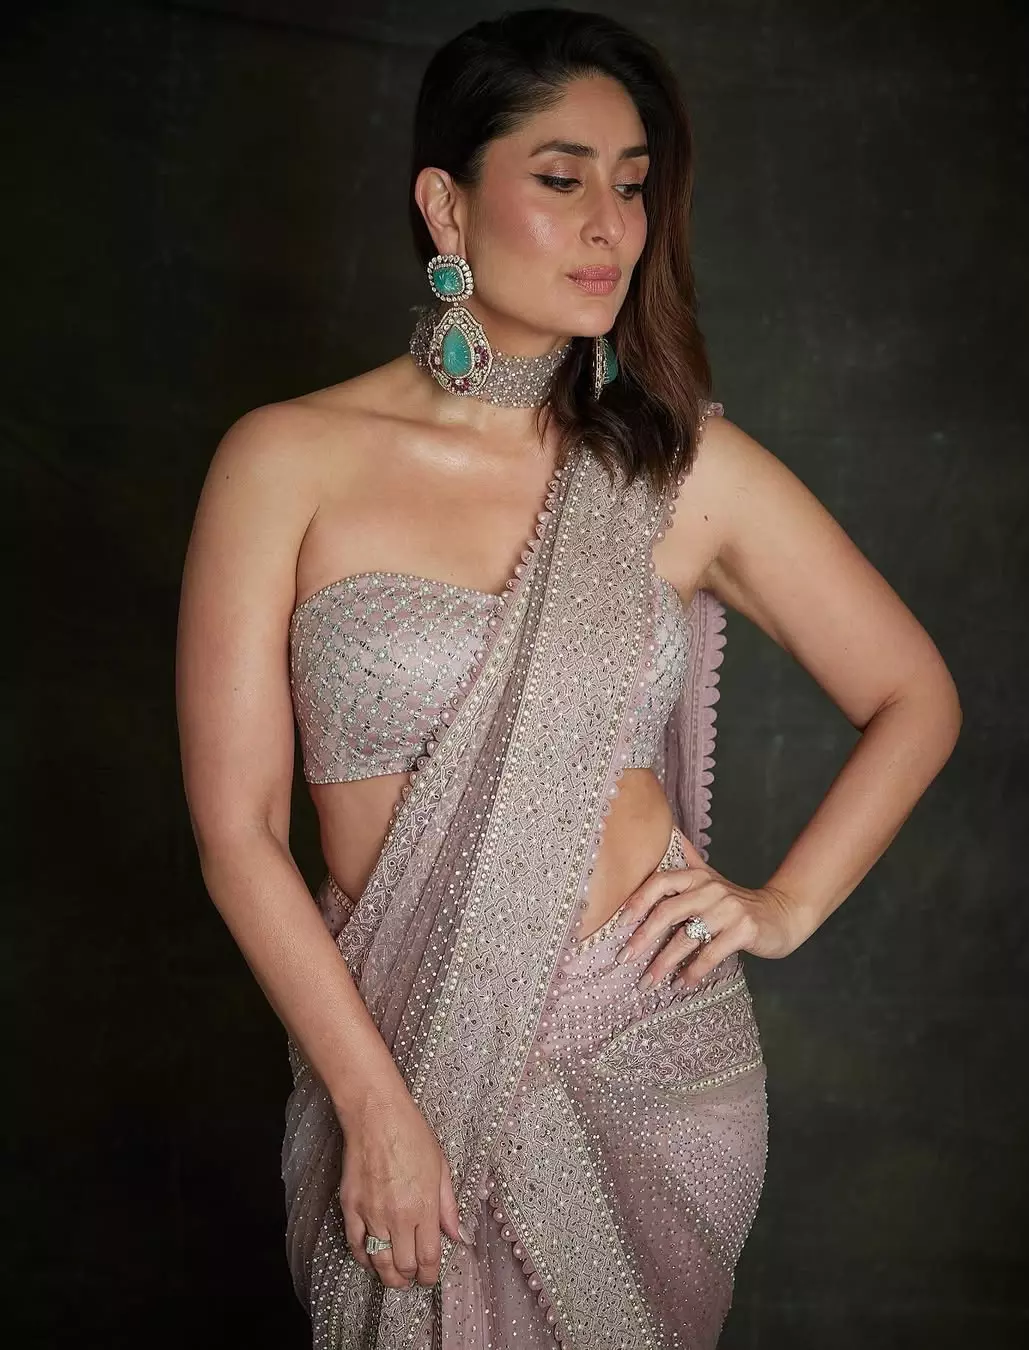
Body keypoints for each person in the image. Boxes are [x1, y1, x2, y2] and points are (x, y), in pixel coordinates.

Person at [175, 8, 961, 1348]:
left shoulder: (674, 468)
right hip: (393, 1043)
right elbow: (237, 832)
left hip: (643, 1047)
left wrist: (781, 906)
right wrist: (372, 1102)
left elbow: (915, 697)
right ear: (446, 203)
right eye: (562, 177)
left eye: (634, 185)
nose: (611, 225)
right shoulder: (285, 460)